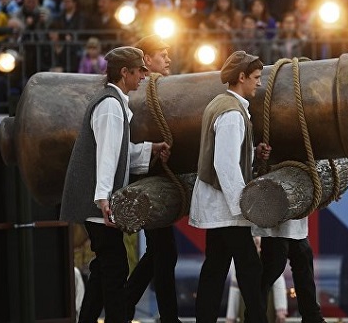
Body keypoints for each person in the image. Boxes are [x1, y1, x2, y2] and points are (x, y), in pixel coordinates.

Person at [60, 46, 171, 323]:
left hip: (98, 202)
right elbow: (107, 157)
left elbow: (118, 152)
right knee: (116, 269)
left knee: (103, 271)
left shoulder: (114, 103)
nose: (144, 76)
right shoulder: (110, 106)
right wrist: (104, 201)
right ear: (125, 72)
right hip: (99, 205)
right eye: (140, 71)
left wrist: (150, 150)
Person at [189, 50, 270, 323]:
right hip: (226, 209)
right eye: (256, 77)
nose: (260, 82)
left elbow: (229, 157)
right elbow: (225, 165)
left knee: (216, 267)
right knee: (250, 268)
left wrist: (252, 153)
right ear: (242, 77)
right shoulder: (232, 114)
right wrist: (242, 207)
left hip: (219, 206)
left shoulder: (220, 104)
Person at [125, 34, 180, 323]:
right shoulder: (139, 94)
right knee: (164, 252)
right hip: (147, 180)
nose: (168, 59)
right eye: (162, 54)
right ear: (146, 60)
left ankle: (125, 306)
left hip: (154, 176)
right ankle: (168, 317)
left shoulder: (156, 90)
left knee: (160, 253)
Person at [254, 217, 326, 323]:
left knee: (305, 272)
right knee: (269, 273)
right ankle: (254, 317)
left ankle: (313, 318)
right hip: (274, 227)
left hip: (298, 227)